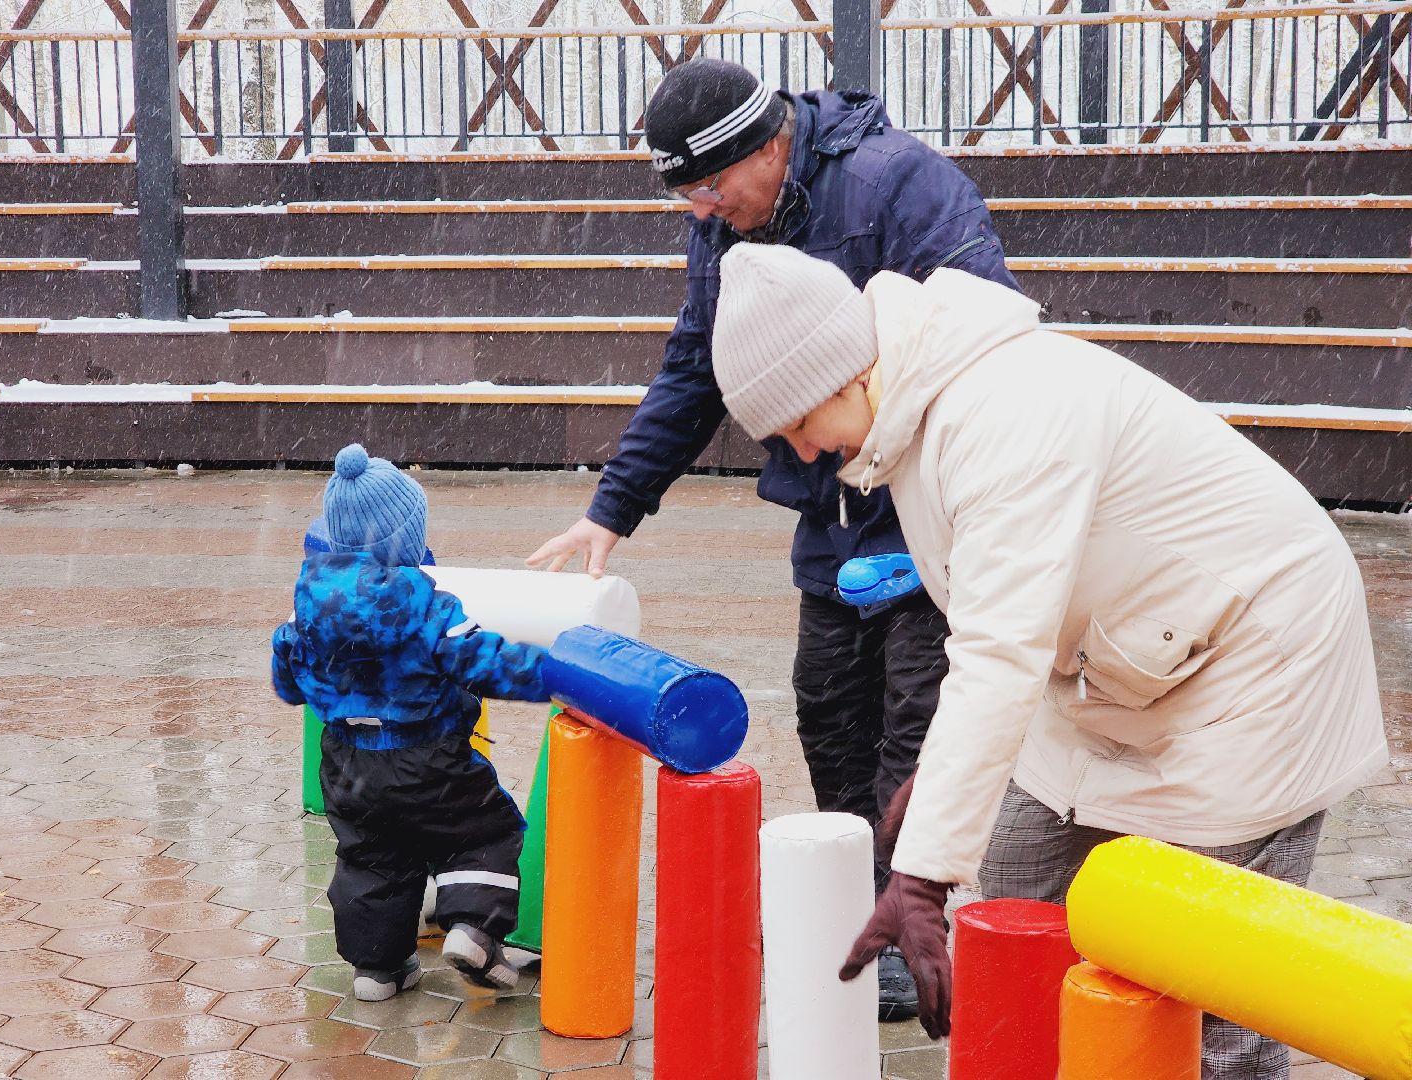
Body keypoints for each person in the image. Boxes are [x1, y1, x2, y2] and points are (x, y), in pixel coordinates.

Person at [708, 242, 1388, 1079]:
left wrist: (918, 878)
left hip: (1258, 665)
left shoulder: (1004, 412)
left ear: (844, 376)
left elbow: (1000, 653)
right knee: (1014, 911)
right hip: (1122, 667)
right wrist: (958, 771)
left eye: (798, 429)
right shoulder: (908, 423)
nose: (804, 455)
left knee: (1217, 985)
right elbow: (991, 626)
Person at [526, 55, 1018, 1020]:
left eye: (710, 186)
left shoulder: (897, 185)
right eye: (684, 199)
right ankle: (851, 903)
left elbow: (985, 331)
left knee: (913, 729)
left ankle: (912, 916)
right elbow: (694, 368)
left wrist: (932, 486)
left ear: (769, 144)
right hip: (829, 516)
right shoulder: (724, 226)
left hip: (924, 512)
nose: (701, 211)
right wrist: (611, 508)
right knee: (829, 715)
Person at [271, 444, 550, 1001]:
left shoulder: (306, 607)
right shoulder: (426, 605)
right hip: (429, 758)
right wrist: (552, 674)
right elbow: (482, 663)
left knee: (371, 857)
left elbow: (287, 683)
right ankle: (473, 929)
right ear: (402, 539)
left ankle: (378, 969)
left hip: (347, 765)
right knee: (482, 832)